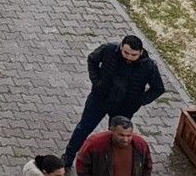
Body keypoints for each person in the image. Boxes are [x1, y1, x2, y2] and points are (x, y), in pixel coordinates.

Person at [63, 36, 166, 167]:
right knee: (83, 128)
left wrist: (139, 101)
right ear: (121, 46)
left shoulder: (148, 66)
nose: (129, 57)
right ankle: (68, 156)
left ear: (141, 52)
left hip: (124, 108)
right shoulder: (109, 50)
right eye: (126, 52)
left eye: (133, 55)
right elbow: (92, 59)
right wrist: (96, 82)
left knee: (117, 137)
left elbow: (158, 88)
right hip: (99, 99)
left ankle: (108, 164)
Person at [73, 116, 153, 176]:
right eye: (121, 135)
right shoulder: (95, 144)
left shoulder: (140, 144)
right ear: (112, 130)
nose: (125, 139)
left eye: (129, 135)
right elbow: (82, 167)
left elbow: (147, 166)